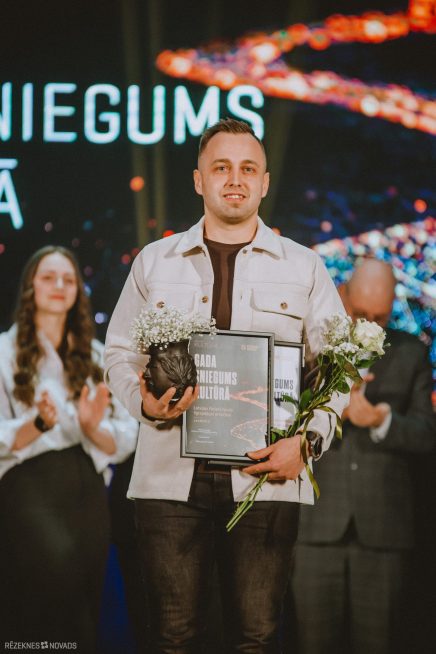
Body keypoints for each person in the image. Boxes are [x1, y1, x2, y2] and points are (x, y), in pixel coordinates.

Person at [104, 118, 349, 654]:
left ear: (264, 182)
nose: (234, 179)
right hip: (169, 479)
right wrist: (144, 404)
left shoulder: (304, 267)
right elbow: (119, 353)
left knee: (255, 639)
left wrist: (307, 445)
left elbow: (338, 370)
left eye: (247, 168)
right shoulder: (155, 262)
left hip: (266, 478)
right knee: (171, 639)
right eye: (221, 167)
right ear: (199, 180)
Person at [292, 259, 436, 654]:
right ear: (342, 296)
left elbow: (427, 433)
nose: (369, 324)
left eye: (380, 317)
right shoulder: (310, 346)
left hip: (384, 531)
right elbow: (282, 419)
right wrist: (326, 409)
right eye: (360, 313)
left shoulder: (410, 352)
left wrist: (380, 420)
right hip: (316, 526)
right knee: (312, 643)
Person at [0, 246, 138, 650]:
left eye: (68, 279)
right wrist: (38, 423)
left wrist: (92, 426)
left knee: (84, 600)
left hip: (87, 493)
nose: (59, 285)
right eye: (48, 277)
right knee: (43, 594)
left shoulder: (96, 356)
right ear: (30, 286)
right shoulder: (4, 353)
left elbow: (127, 436)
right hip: (28, 489)